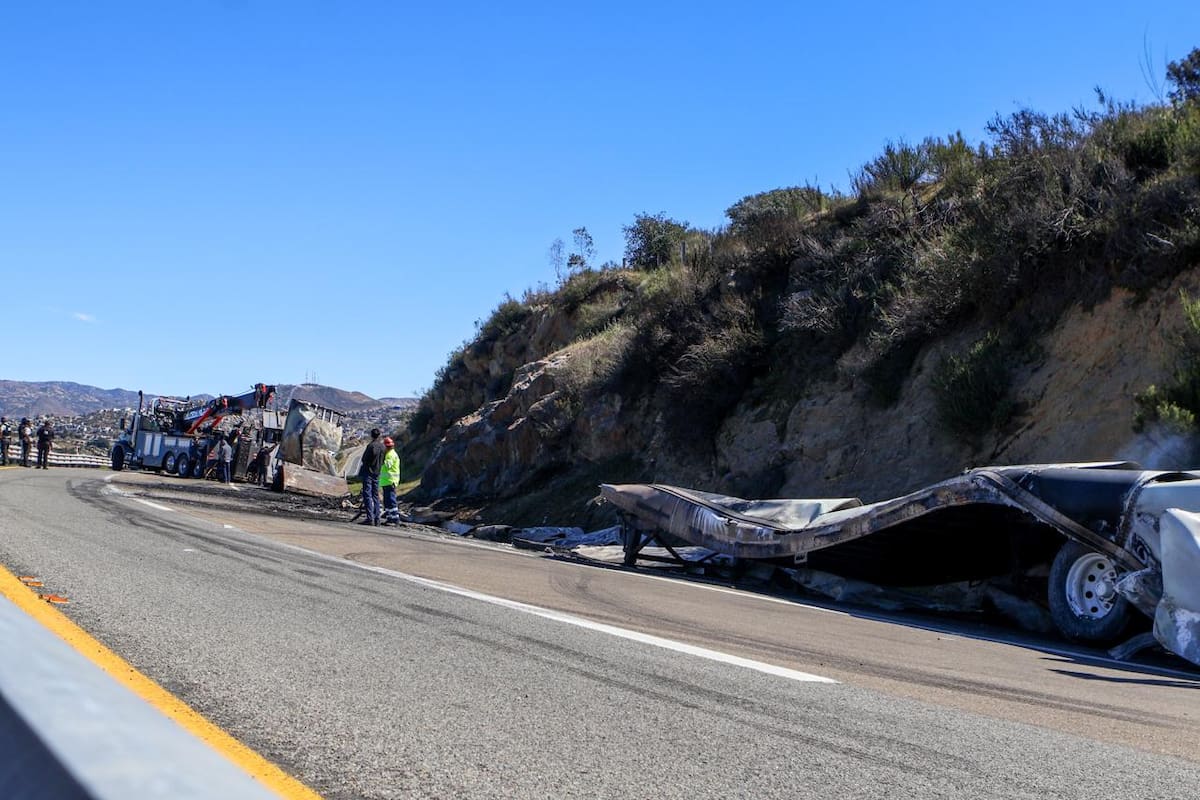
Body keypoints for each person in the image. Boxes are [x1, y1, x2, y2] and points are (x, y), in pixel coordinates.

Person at [358, 428, 385, 526]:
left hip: (368, 472)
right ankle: (377, 518)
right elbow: (383, 460)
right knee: (375, 496)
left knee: (367, 495)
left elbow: (364, 459)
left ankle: (370, 518)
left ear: (371, 435)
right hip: (377, 473)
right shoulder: (383, 447)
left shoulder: (371, 446)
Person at [379, 437, 402, 525]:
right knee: (387, 500)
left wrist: (380, 462)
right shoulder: (389, 453)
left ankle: (394, 518)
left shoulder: (390, 455)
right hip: (387, 481)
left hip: (390, 481)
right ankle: (390, 517)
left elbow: (387, 466)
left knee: (391, 500)